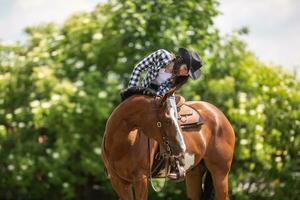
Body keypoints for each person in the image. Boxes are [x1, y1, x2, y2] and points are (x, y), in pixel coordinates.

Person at [127, 48, 203, 180]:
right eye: (186, 69)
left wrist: (156, 102)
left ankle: (177, 162)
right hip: (144, 90)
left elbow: (163, 92)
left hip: (164, 96)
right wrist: (131, 92)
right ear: (181, 61)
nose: (185, 75)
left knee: (171, 118)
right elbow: (138, 68)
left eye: (188, 74)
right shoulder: (161, 55)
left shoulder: (176, 79)